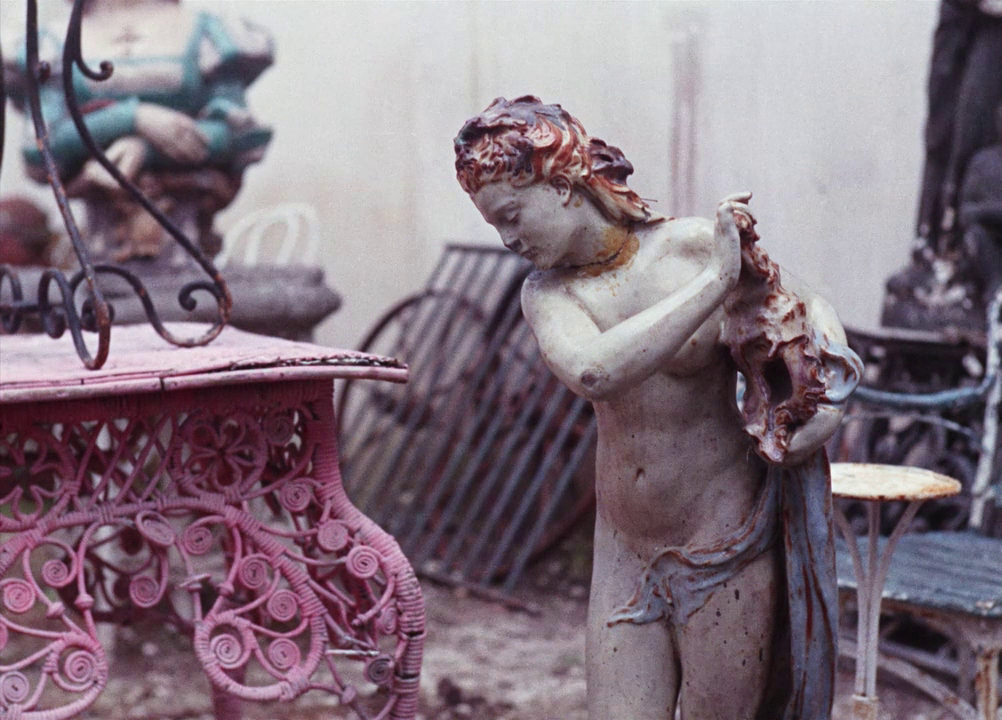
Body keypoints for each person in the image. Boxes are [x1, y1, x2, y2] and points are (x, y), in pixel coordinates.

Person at [454, 96, 861, 719]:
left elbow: (810, 309)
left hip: (721, 540)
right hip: (626, 549)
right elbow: (593, 371)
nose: (508, 240)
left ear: (561, 186)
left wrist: (828, 404)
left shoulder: (691, 247)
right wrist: (716, 283)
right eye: (495, 227)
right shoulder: (550, 294)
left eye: (512, 216)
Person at [4, 0, 273, 263]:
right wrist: (132, 119)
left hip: (187, 248)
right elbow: (41, 146)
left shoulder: (209, 32)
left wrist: (144, 149)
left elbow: (234, 134)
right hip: (100, 249)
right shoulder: (53, 42)